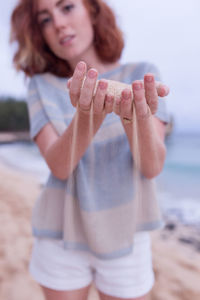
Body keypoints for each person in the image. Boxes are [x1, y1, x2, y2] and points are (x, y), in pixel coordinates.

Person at [10, 0, 170, 299]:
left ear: (93, 12)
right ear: (39, 35)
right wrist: (88, 116)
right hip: (61, 231)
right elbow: (59, 166)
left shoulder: (143, 75)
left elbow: (152, 167)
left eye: (66, 7)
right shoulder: (40, 86)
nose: (57, 23)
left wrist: (135, 117)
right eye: (45, 19)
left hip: (128, 230)